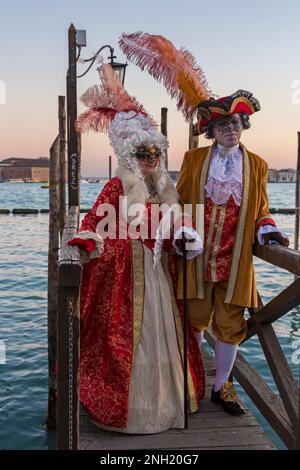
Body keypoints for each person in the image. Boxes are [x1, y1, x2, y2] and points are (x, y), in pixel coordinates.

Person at [119, 33, 289, 416]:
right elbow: (174, 201)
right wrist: (181, 229)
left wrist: (270, 232)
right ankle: (190, 380)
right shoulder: (195, 160)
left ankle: (222, 387)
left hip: (234, 260)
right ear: (213, 130)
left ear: (244, 126)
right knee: (193, 319)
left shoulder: (258, 165)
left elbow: (261, 207)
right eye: (224, 125)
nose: (231, 130)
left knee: (231, 324)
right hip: (197, 255)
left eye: (237, 124)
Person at [68, 63, 205, 433]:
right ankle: (129, 409)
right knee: (125, 341)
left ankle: (166, 401)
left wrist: (186, 234)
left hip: (157, 271)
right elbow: (95, 220)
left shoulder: (163, 189)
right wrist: (87, 238)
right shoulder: (115, 187)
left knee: (160, 339)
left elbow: (178, 219)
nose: (150, 162)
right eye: (143, 156)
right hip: (121, 276)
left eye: (154, 156)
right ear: (130, 157)